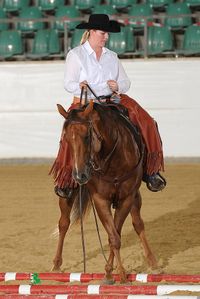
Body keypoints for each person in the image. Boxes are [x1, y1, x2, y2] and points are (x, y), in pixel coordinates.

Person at [50, 14, 166, 198]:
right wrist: (78, 86)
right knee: (72, 132)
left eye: (107, 34)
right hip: (85, 102)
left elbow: (126, 81)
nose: (106, 37)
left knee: (146, 121)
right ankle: (67, 180)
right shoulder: (76, 55)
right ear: (91, 32)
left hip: (112, 100)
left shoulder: (112, 56)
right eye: (103, 33)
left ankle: (150, 171)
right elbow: (68, 83)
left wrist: (118, 86)